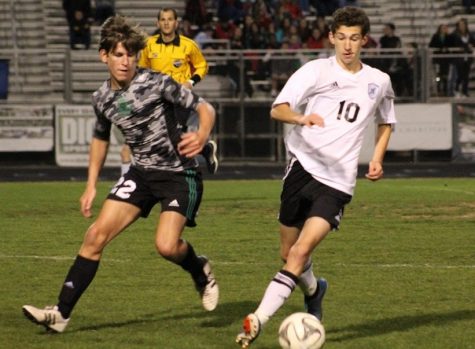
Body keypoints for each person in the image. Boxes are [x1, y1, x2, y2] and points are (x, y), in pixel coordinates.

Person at [22, 15, 219, 333]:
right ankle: (60, 314)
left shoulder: (157, 82)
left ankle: (200, 270)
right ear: (104, 56)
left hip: (178, 175)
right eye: (118, 54)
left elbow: (205, 108)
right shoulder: (101, 98)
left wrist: (202, 134)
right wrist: (90, 186)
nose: (126, 61)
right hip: (141, 174)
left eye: (130, 54)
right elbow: (100, 138)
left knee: (167, 246)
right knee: (94, 237)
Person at [235, 6, 396, 348]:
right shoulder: (314, 71)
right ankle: (314, 288)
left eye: (354, 38)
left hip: (337, 182)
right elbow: (277, 108)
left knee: (299, 253)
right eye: (341, 38)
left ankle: (257, 321)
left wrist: (377, 158)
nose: (348, 45)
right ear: (331, 38)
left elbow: (386, 120)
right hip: (301, 168)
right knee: (288, 253)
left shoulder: (378, 81)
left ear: (364, 40)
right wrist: (300, 119)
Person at [119, 8, 218, 176]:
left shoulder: (188, 45)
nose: (166, 22)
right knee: (163, 141)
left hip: (180, 99)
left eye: (170, 19)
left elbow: (202, 66)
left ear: (176, 23)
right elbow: (142, 70)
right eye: (163, 19)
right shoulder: (149, 44)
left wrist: (190, 82)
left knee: (168, 140)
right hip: (156, 99)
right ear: (158, 23)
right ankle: (204, 150)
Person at [429, 24, 450, 96]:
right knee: (438, 75)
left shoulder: (449, 37)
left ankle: (445, 90)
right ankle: (438, 89)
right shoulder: (435, 36)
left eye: (445, 28)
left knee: (445, 75)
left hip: (446, 60)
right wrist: (440, 48)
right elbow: (431, 45)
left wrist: (446, 48)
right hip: (438, 59)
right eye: (442, 28)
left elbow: (451, 45)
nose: (444, 29)